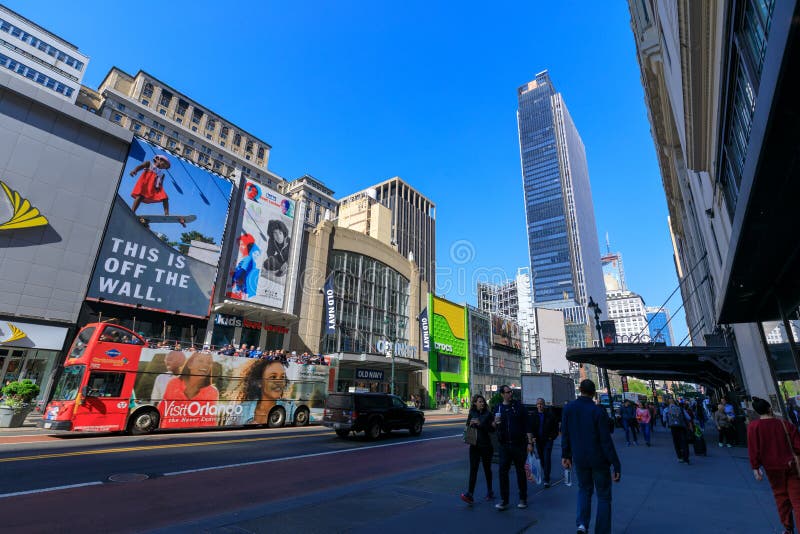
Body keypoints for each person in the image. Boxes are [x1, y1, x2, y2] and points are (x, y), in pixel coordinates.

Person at [561, 379, 621, 534]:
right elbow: (605, 440)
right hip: (599, 460)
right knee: (603, 496)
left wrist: (566, 455)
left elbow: (565, 435)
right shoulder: (598, 411)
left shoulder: (568, 408)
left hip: (580, 459)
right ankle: (601, 530)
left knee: (584, 490)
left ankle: (582, 524)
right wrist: (615, 463)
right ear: (594, 393)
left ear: (580, 390)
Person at [748, 396, 800, 534]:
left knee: (781, 498)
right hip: (791, 466)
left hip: (772, 469)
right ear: (770, 408)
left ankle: (788, 529)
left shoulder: (753, 427)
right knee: (798, 500)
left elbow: (754, 449)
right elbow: (798, 446)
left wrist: (755, 468)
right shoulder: (785, 424)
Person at [492, 385, 533, 511]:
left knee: (520, 471)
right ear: (502, 394)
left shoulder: (519, 406)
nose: (510, 394)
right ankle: (504, 500)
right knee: (502, 472)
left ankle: (523, 498)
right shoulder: (498, 407)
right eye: (508, 392)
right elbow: (493, 425)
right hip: (504, 445)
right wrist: (495, 423)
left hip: (518, 444)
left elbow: (527, 425)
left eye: (511, 392)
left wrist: (530, 443)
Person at [160, 352, 219, 427]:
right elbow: (163, 410)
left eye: (209, 363)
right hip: (168, 433)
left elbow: (210, 421)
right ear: (189, 364)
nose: (206, 365)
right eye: (200, 361)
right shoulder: (173, 383)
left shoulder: (212, 392)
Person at [224, 358, 287, 425]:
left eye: (282, 377)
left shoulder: (289, 408)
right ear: (259, 382)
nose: (279, 382)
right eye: (273, 377)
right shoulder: (243, 409)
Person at [460, 394, 495, 505]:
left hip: (485, 446)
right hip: (474, 446)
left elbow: (492, 429)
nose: (482, 403)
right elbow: (467, 427)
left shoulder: (488, 414)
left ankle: (490, 491)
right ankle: (470, 494)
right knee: (473, 469)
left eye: (483, 402)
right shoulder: (472, 413)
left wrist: (480, 425)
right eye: (480, 402)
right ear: (475, 403)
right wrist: (470, 424)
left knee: (487, 469)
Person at [531, 397, 559, 488]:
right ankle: (546, 471)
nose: (540, 405)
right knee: (542, 459)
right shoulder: (534, 415)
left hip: (548, 440)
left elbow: (555, 428)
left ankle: (546, 479)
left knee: (547, 458)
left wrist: (552, 437)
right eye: (538, 404)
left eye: (541, 404)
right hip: (539, 441)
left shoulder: (550, 415)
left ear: (544, 405)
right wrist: (533, 438)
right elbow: (532, 428)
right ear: (536, 405)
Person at [667, 399, 691, 464]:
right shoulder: (680, 409)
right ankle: (686, 458)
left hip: (673, 427)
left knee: (676, 442)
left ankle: (680, 457)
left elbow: (664, 419)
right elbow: (688, 418)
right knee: (684, 442)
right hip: (681, 427)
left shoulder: (667, 409)